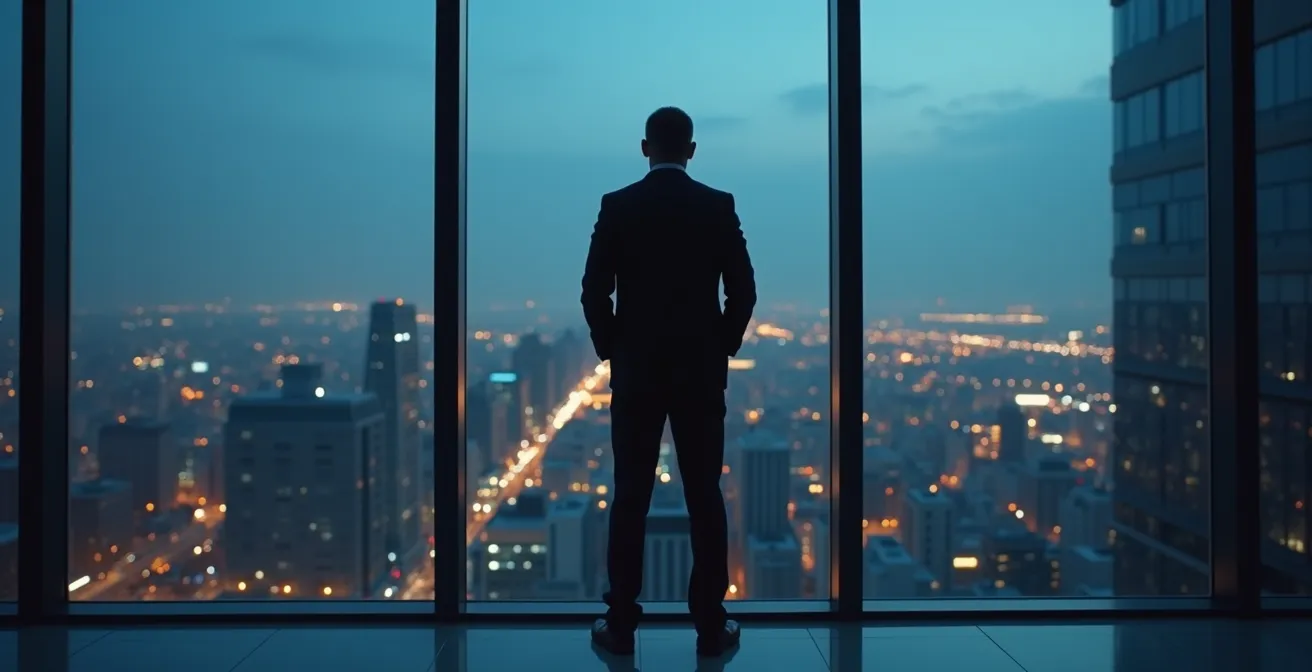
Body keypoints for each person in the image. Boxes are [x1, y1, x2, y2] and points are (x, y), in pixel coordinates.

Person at [581, 106, 756, 658]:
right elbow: (744, 290)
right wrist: (720, 344)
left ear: (644, 148)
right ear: (692, 150)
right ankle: (710, 627)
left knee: (630, 497)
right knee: (704, 496)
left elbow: (593, 290)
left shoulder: (618, 206)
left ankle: (621, 625)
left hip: (637, 374)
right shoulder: (717, 206)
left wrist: (614, 348)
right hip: (700, 375)